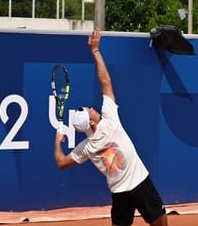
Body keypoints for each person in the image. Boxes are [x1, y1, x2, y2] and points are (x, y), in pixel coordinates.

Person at [54, 30, 168, 226]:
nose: (92, 108)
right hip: (140, 183)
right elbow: (105, 82)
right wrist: (96, 51)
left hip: (119, 193)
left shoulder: (87, 148)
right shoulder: (110, 121)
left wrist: (57, 143)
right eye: (90, 111)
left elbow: (61, 162)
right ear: (91, 122)